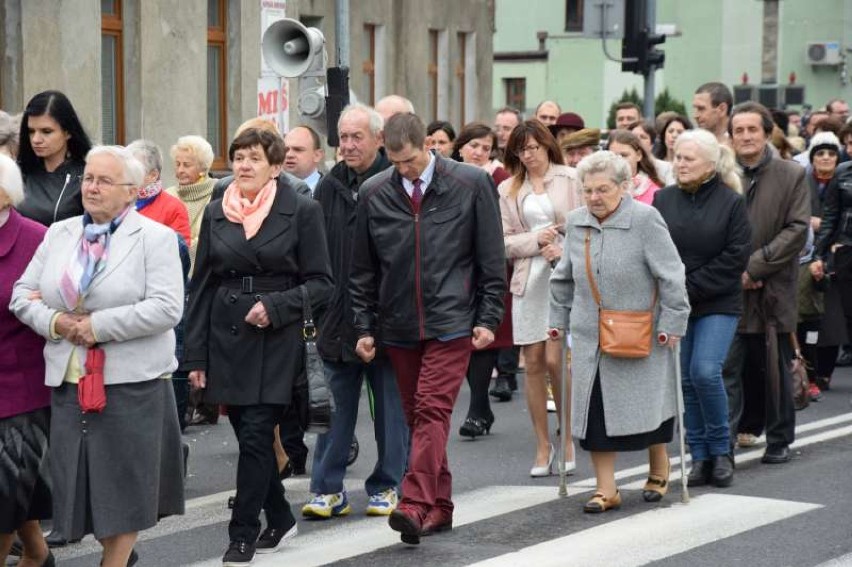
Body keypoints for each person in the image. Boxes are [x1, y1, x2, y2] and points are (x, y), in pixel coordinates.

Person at [11, 145, 186, 567]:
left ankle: (114, 561)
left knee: (124, 487)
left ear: (131, 191)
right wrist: (57, 323)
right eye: (89, 178)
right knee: (89, 487)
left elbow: (166, 308)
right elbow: (20, 295)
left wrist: (96, 326)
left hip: (132, 383)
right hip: (70, 379)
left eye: (104, 180)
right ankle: (119, 558)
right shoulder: (60, 234)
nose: (92, 187)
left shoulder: (156, 239)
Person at [349, 112, 505, 544]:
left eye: (412, 160)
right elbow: (362, 270)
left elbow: (491, 259)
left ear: (430, 147)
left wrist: (489, 318)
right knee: (419, 417)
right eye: (396, 163)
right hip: (398, 323)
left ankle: (414, 503)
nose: (405, 170)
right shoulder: (374, 192)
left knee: (433, 409)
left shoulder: (471, 184)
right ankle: (440, 507)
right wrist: (364, 326)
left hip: (452, 319)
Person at [184, 128, 333, 566]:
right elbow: (202, 287)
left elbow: (323, 284)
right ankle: (281, 513)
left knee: (254, 436)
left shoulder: (301, 210)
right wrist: (195, 356)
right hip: (226, 336)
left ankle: (242, 535)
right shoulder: (216, 212)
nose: (244, 166)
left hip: (276, 337)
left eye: (253, 158)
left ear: (274, 166)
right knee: (247, 434)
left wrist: (277, 305)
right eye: (238, 157)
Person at [549, 150, 690, 514]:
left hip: (640, 329)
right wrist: (556, 319)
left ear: (624, 187)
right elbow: (563, 275)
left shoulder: (645, 219)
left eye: (603, 189)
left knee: (647, 407)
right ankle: (606, 488)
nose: (594, 197)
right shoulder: (577, 221)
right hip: (589, 335)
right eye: (588, 190)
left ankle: (659, 464)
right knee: (594, 414)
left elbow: (671, 274)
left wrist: (673, 322)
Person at [304, 103, 408, 521]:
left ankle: (387, 485)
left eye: (355, 137)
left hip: (387, 319)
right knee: (332, 410)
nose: (346, 145)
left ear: (378, 139)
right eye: (342, 137)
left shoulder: (394, 183)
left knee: (390, 412)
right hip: (336, 319)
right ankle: (327, 488)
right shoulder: (328, 186)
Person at [652, 129, 751, 488]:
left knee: (706, 372)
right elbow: (655, 250)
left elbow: (735, 256)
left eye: (688, 158)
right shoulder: (663, 199)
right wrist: (672, 291)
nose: (680, 163)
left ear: (710, 164)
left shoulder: (731, 202)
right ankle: (700, 455)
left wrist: (687, 287)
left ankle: (722, 450)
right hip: (676, 304)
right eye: (677, 157)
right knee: (686, 382)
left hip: (718, 301)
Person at [723, 102, 809, 464]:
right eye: (738, 130)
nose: (745, 136)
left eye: (752, 129)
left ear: (766, 132)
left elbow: (797, 229)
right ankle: (721, 445)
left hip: (774, 287)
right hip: (728, 289)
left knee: (774, 366)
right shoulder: (721, 172)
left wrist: (754, 268)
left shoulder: (791, 173)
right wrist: (734, 271)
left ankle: (778, 439)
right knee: (727, 368)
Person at [499, 119, 581, 476]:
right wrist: (537, 241)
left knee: (555, 359)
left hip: (562, 277)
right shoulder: (508, 189)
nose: (529, 155)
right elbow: (502, 242)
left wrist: (558, 246)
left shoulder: (571, 178)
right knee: (531, 362)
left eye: (534, 147)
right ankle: (542, 445)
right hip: (527, 280)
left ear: (547, 145)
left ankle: (566, 440)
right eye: (521, 149)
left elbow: (584, 226)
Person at [0, 154, 53, 567]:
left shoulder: (36, 238)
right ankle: (37, 553)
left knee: (4, 493)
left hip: (22, 386)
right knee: (15, 485)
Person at [454, 122, 513, 430]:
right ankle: (480, 407)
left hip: (487, 263)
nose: (478, 152)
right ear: (460, 146)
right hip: (454, 265)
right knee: (462, 335)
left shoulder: (500, 179)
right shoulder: (445, 175)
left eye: (485, 148)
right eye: (473, 146)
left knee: (485, 337)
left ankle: (477, 409)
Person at [805, 132, 846, 395]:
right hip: (806, 255)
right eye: (820, 153)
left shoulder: (844, 181)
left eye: (831, 153)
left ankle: (825, 373)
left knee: (832, 320)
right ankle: (808, 373)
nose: (826, 158)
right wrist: (811, 221)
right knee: (808, 319)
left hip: (837, 256)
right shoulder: (802, 181)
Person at [16, 90, 93, 227]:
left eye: (46, 131)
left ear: (68, 132)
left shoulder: (87, 176)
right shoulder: (18, 172)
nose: (36, 139)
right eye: (31, 131)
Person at [166, 135, 216, 272]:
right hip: (172, 276)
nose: (180, 170)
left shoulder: (218, 193)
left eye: (186, 165)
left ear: (203, 168)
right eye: (177, 164)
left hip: (207, 277)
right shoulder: (168, 195)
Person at [607, 130, 664, 205]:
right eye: (613, 156)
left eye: (624, 155)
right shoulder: (600, 190)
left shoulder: (656, 194)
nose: (619, 160)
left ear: (638, 155)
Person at [630, 120, 675, 185]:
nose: (638, 140)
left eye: (643, 137)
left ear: (651, 144)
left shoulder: (666, 168)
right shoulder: (625, 167)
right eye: (634, 136)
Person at [283, 125, 325, 194]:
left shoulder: (331, 191)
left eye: (298, 150)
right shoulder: (272, 191)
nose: (289, 155)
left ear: (317, 155)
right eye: (285, 150)